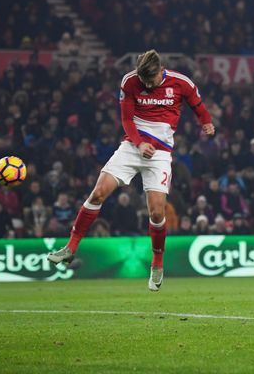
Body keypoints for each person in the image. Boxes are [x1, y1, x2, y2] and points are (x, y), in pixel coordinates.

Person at [47, 49, 215, 291]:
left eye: (151, 80)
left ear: (161, 69)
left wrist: (206, 122)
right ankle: (70, 248)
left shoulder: (181, 82)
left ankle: (157, 263)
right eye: (144, 80)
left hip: (160, 155)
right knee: (97, 193)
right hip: (132, 146)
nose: (147, 84)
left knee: (157, 212)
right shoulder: (130, 81)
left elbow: (197, 104)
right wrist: (139, 143)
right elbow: (126, 120)